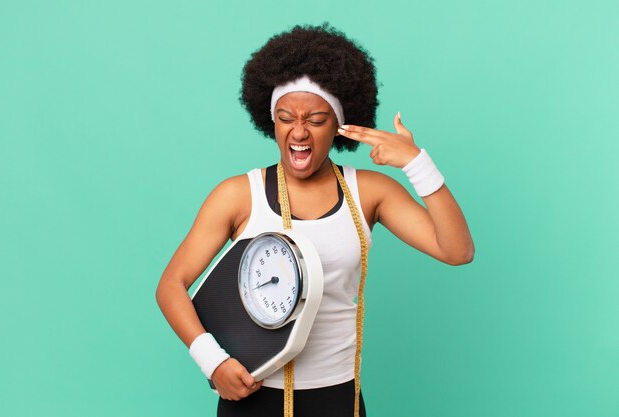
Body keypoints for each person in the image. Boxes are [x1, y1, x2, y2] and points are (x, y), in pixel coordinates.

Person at [155, 23, 474, 417]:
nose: (299, 131)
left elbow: (457, 250)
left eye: (317, 120)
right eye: (286, 117)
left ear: (339, 125)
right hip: (252, 395)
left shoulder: (369, 192)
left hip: (337, 397)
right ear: (271, 119)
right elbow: (171, 285)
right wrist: (212, 361)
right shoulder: (238, 195)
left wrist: (416, 163)